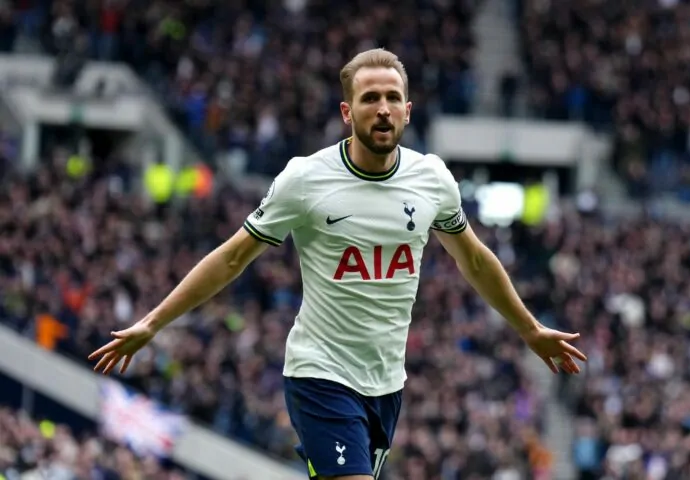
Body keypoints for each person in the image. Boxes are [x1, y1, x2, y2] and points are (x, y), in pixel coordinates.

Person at [89, 48, 587, 480]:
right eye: (370, 99)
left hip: (386, 383)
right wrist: (153, 322)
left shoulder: (433, 179)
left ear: (408, 110)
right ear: (348, 111)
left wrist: (529, 329)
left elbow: (474, 259)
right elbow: (233, 257)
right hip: (320, 374)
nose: (383, 108)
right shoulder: (306, 180)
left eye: (392, 98)